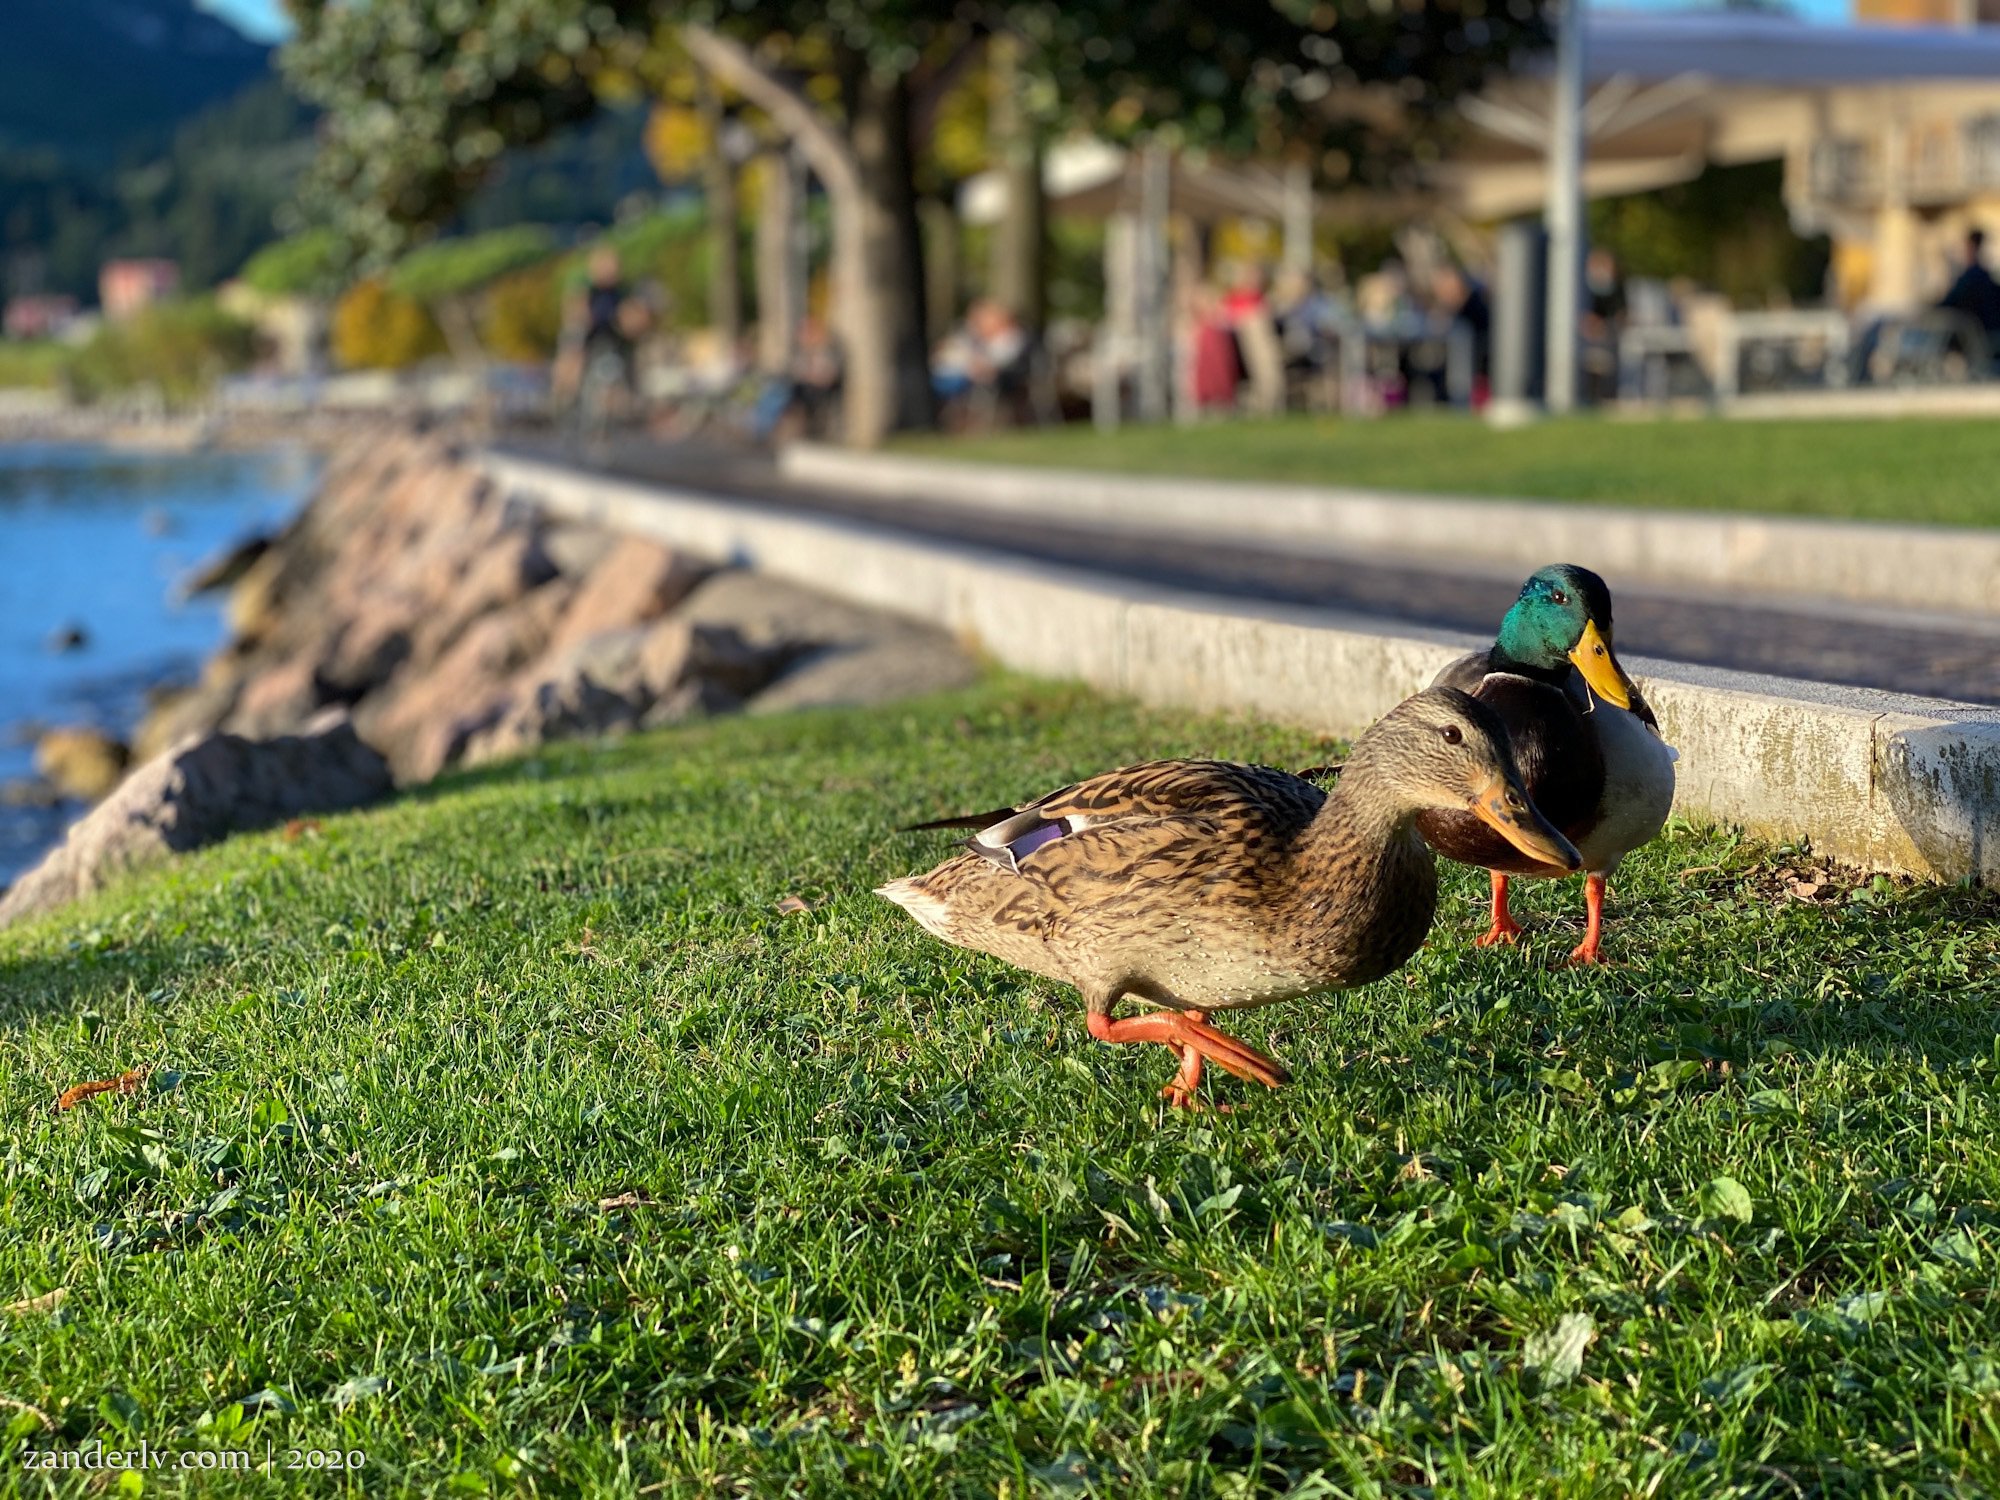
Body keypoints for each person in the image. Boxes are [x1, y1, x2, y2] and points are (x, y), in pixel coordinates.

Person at [1940, 228, 2000, 342]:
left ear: (1972, 248)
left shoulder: (1972, 278)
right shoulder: (1984, 278)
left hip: (1981, 339)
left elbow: (1950, 301)